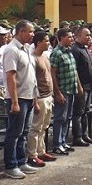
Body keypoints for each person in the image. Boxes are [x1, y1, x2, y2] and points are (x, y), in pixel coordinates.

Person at [2, 20, 40, 179]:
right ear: (21, 31)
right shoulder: (12, 50)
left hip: (29, 96)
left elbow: (31, 76)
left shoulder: (26, 49)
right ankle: (11, 165)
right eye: (30, 32)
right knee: (14, 132)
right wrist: (15, 101)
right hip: (18, 98)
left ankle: (21, 160)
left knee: (24, 132)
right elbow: (10, 76)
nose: (32, 35)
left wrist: (35, 98)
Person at [27, 30, 57, 167]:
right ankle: (32, 155)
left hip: (48, 96)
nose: (48, 43)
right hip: (39, 97)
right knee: (36, 128)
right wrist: (35, 100)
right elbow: (32, 81)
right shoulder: (32, 58)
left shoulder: (45, 56)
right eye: (45, 40)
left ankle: (41, 151)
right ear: (38, 42)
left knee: (44, 126)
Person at [50, 28, 84, 150]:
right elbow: (52, 73)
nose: (72, 39)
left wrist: (79, 85)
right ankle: (57, 144)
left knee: (68, 117)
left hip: (71, 88)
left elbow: (74, 71)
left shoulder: (69, 52)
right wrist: (57, 92)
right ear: (61, 38)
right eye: (69, 37)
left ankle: (63, 141)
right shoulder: (56, 53)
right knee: (60, 117)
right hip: (63, 89)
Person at [70, 27, 92, 148]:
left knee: (85, 111)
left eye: (90, 35)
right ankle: (78, 137)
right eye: (86, 35)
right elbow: (74, 70)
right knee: (78, 112)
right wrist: (79, 86)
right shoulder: (75, 50)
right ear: (78, 36)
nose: (89, 37)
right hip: (81, 86)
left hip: (89, 85)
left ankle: (85, 134)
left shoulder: (85, 49)